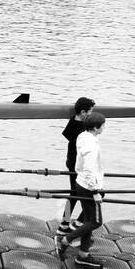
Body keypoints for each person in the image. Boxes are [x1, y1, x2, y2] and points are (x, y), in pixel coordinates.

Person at [57, 112, 106, 269]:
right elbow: (90, 169)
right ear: (96, 127)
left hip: (79, 182)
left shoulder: (83, 136)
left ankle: (83, 255)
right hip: (88, 186)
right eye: (103, 125)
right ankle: (67, 239)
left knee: (88, 221)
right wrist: (96, 191)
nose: (104, 127)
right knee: (96, 222)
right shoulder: (91, 146)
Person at [57, 96, 95, 235]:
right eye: (90, 111)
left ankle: (67, 223)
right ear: (83, 112)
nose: (92, 114)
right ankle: (72, 223)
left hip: (71, 161)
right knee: (82, 194)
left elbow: (66, 134)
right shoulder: (82, 130)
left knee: (74, 193)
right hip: (77, 165)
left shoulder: (73, 120)